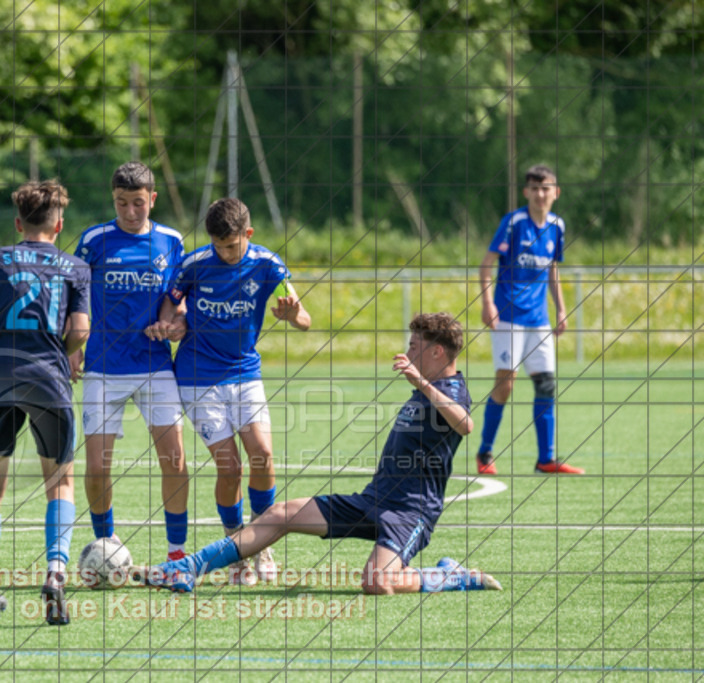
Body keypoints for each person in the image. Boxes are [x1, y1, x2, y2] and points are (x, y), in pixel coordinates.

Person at [134, 313, 502, 595]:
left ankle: (448, 576)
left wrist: (420, 382)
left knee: (377, 582)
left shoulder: (452, 388)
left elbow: (465, 424)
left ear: (438, 351)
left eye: (415, 346)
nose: (408, 353)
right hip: (373, 499)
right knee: (279, 514)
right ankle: (189, 567)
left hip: (411, 512)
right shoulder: (429, 387)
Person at [146, 197, 311, 586]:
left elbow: (304, 318)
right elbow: (169, 306)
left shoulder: (269, 264)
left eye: (232, 246)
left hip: (244, 372)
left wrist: (291, 315)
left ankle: (262, 540)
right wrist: (169, 324)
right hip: (198, 375)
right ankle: (235, 546)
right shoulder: (194, 265)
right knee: (230, 467)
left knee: (264, 456)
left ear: (248, 235)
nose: (224, 253)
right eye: (218, 246)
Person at [0, 180, 91, 625]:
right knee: (59, 481)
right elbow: (80, 331)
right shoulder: (75, 267)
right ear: (59, 225)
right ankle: (56, 576)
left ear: (19, 223)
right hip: (48, 376)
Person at [71, 162, 189, 563]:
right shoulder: (94, 240)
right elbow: (73, 294)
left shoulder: (171, 241)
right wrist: (71, 346)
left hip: (156, 366)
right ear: (113, 200)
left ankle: (176, 555)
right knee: (97, 466)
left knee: (174, 460)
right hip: (103, 369)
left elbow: (180, 297)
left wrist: (172, 323)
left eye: (138, 203)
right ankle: (106, 544)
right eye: (122, 203)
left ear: (152, 199)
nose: (130, 211)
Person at [477, 164, 583, 475]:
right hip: (508, 316)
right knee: (505, 385)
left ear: (556, 192)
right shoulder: (513, 223)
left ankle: (545, 459)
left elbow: (552, 268)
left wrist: (561, 309)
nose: (540, 194)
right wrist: (487, 304)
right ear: (526, 192)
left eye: (546, 188)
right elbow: (486, 266)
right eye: (534, 188)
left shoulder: (557, 226)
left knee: (546, 384)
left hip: (539, 320)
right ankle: (485, 453)